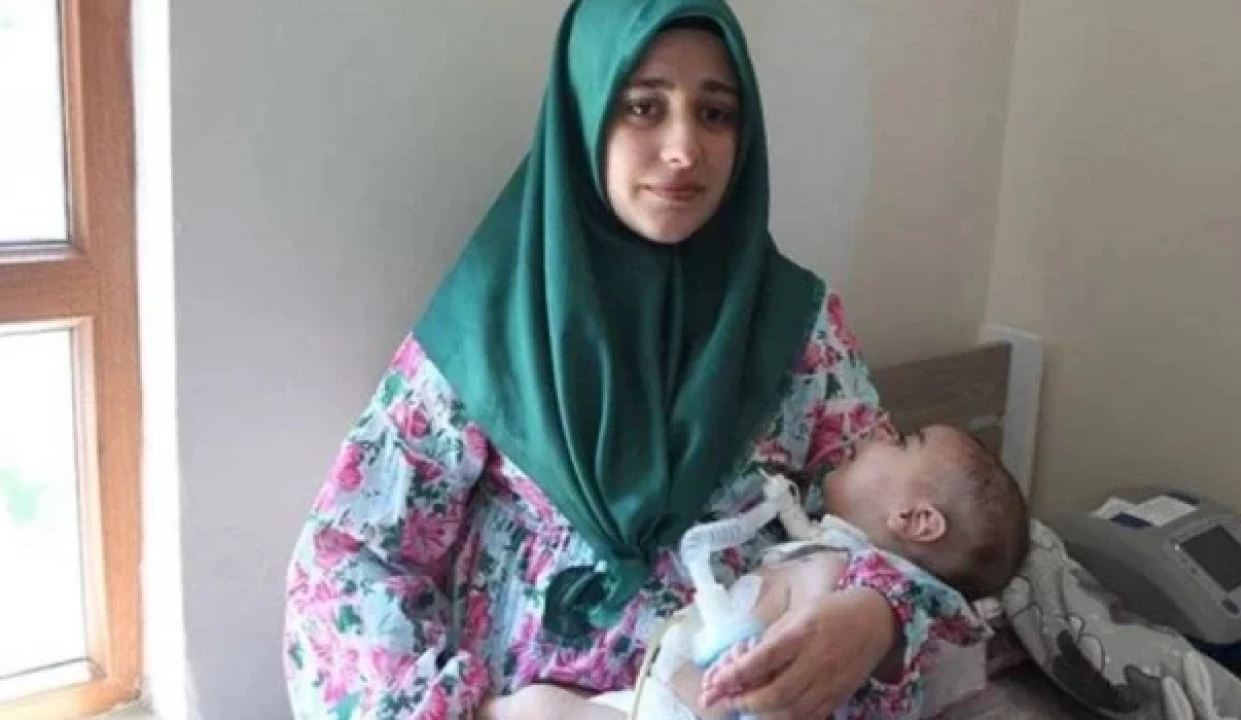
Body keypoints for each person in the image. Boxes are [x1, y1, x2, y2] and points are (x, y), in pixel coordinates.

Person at [282, 1, 986, 718]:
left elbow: (903, 515)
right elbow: (347, 560)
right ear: (585, 113)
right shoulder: (491, 327)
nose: (684, 149)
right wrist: (487, 714)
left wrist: (877, 616)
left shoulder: (796, 327)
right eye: (644, 107)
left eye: (715, 114)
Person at [528, 424, 1030, 720]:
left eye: (901, 442)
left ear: (915, 520)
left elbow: (784, 658)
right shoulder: (835, 556)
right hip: (664, 697)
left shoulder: (845, 580)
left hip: (685, 709)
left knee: (535, 709)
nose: (878, 432)